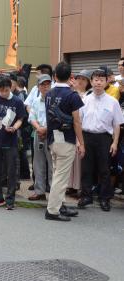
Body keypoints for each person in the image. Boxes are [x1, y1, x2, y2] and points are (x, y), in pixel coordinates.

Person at [77, 69, 124, 211]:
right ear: (91, 82)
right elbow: (78, 122)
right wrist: (79, 142)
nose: (98, 82)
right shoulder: (85, 100)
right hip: (87, 137)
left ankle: (105, 199)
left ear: (106, 82)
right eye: (95, 79)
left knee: (104, 170)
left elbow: (116, 124)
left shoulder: (113, 102)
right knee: (86, 169)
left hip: (104, 138)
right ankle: (86, 197)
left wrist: (115, 142)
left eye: (101, 80)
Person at [45, 62, 84, 221]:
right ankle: (52, 211)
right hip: (66, 139)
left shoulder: (48, 93)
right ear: (71, 76)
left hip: (52, 138)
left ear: (54, 76)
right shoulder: (72, 96)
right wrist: (81, 142)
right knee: (61, 177)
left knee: (57, 174)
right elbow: (77, 122)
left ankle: (60, 204)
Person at [0, 75, 26, 210]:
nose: (4, 93)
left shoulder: (17, 102)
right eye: (1, 90)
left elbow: (21, 119)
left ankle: (10, 199)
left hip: (11, 140)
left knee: (11, 171)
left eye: (6, 90)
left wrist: (15, 127)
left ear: (11, 87)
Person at [28, 75, 53, 200]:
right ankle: (40, 191)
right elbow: (32, 117)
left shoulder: (55, 100)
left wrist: (45, 129)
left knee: (52, 165)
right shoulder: (36, 101)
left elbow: (56, 118)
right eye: (43, 84)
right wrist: (39, 128)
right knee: (38, 163)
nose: (46, 87)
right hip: (38, 134)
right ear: (38, 87)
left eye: (48, 84)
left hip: (52, 134)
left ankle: (53, 193)